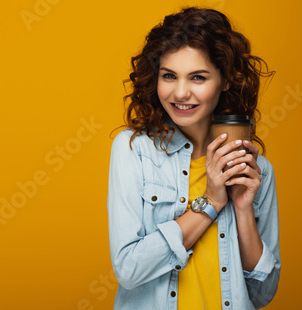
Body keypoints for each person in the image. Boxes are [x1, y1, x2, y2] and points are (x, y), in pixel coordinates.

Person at [106, 7, 280, 309]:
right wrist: (211, 203)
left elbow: (263, 294)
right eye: (169, 76)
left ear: (225, 81)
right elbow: (129, 270)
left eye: (198, 77)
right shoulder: (135, 151)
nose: (181, 92)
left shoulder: (255, 170)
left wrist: (242, 209)